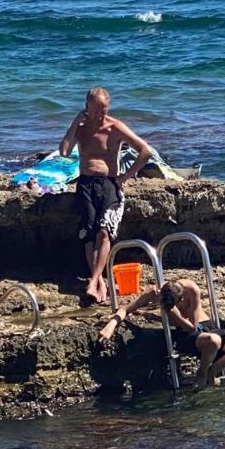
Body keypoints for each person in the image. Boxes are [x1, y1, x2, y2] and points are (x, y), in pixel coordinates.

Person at [59, 87, 153, 304]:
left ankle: (93, 281)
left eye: (103, 111)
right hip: (85, 183)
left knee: (104, 231)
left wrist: (124, 178)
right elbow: (64, 151)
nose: (99, 116)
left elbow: (145, 151)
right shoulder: (81, 128)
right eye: (94, 111)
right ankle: (99, 279)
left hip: (109, 183)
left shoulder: (114, 127)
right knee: (88, 233)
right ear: (86, 108)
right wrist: (75, 122)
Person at [99, 278, 225, 386]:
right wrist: (110, 326)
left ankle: (211, 372)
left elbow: (193, 326)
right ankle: (202, 374)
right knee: (213, 340)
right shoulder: (155, 293)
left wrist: (175, 313)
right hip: (184, 334)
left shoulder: (191, 289)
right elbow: (126, 308)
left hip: (201, 327)